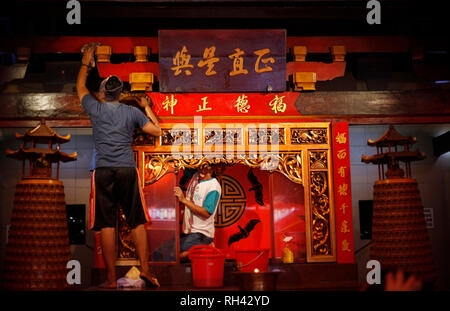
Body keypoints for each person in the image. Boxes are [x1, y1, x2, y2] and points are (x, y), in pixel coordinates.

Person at [77, 45, 161, 289]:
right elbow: (157, 131)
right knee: (136, 220)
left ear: (103, 93)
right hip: (126, 169)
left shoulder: (95, 108)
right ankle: (145, 271)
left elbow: (80, 87)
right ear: (119, 93)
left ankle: (111, 279)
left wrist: (85, 62)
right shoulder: (131, 112)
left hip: (103, 171)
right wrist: (146, 107)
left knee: (106, 223)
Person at [174, 162, 222, 260]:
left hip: (201, 234)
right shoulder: (196, 176)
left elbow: (206, 213)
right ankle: (203, 249)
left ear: (214, 168)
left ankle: (206, 249)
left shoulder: (214, 186)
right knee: (164, 252)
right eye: (200, 164)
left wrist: (183, 200)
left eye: (206, 166)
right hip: (190, 232)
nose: (202, 168)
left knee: (172, 255)